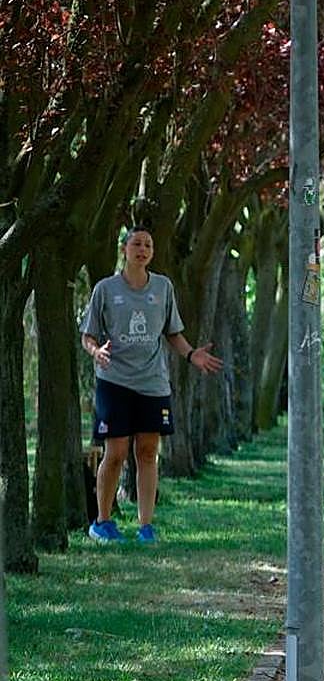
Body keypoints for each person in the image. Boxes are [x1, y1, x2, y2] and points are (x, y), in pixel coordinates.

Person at [79, 225, 224, 544]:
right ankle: (102, 522)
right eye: (136, 244)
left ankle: (146, 527)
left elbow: (172, 332)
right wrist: (96, 351)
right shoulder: (105, 289)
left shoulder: (163, 287)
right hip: (114, 380)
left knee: (147, 452)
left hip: (153, 383)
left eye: (148, 245)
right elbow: (88, 335)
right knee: (116, 452)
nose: (142, 249)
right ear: (124, 249)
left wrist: (191, 355)